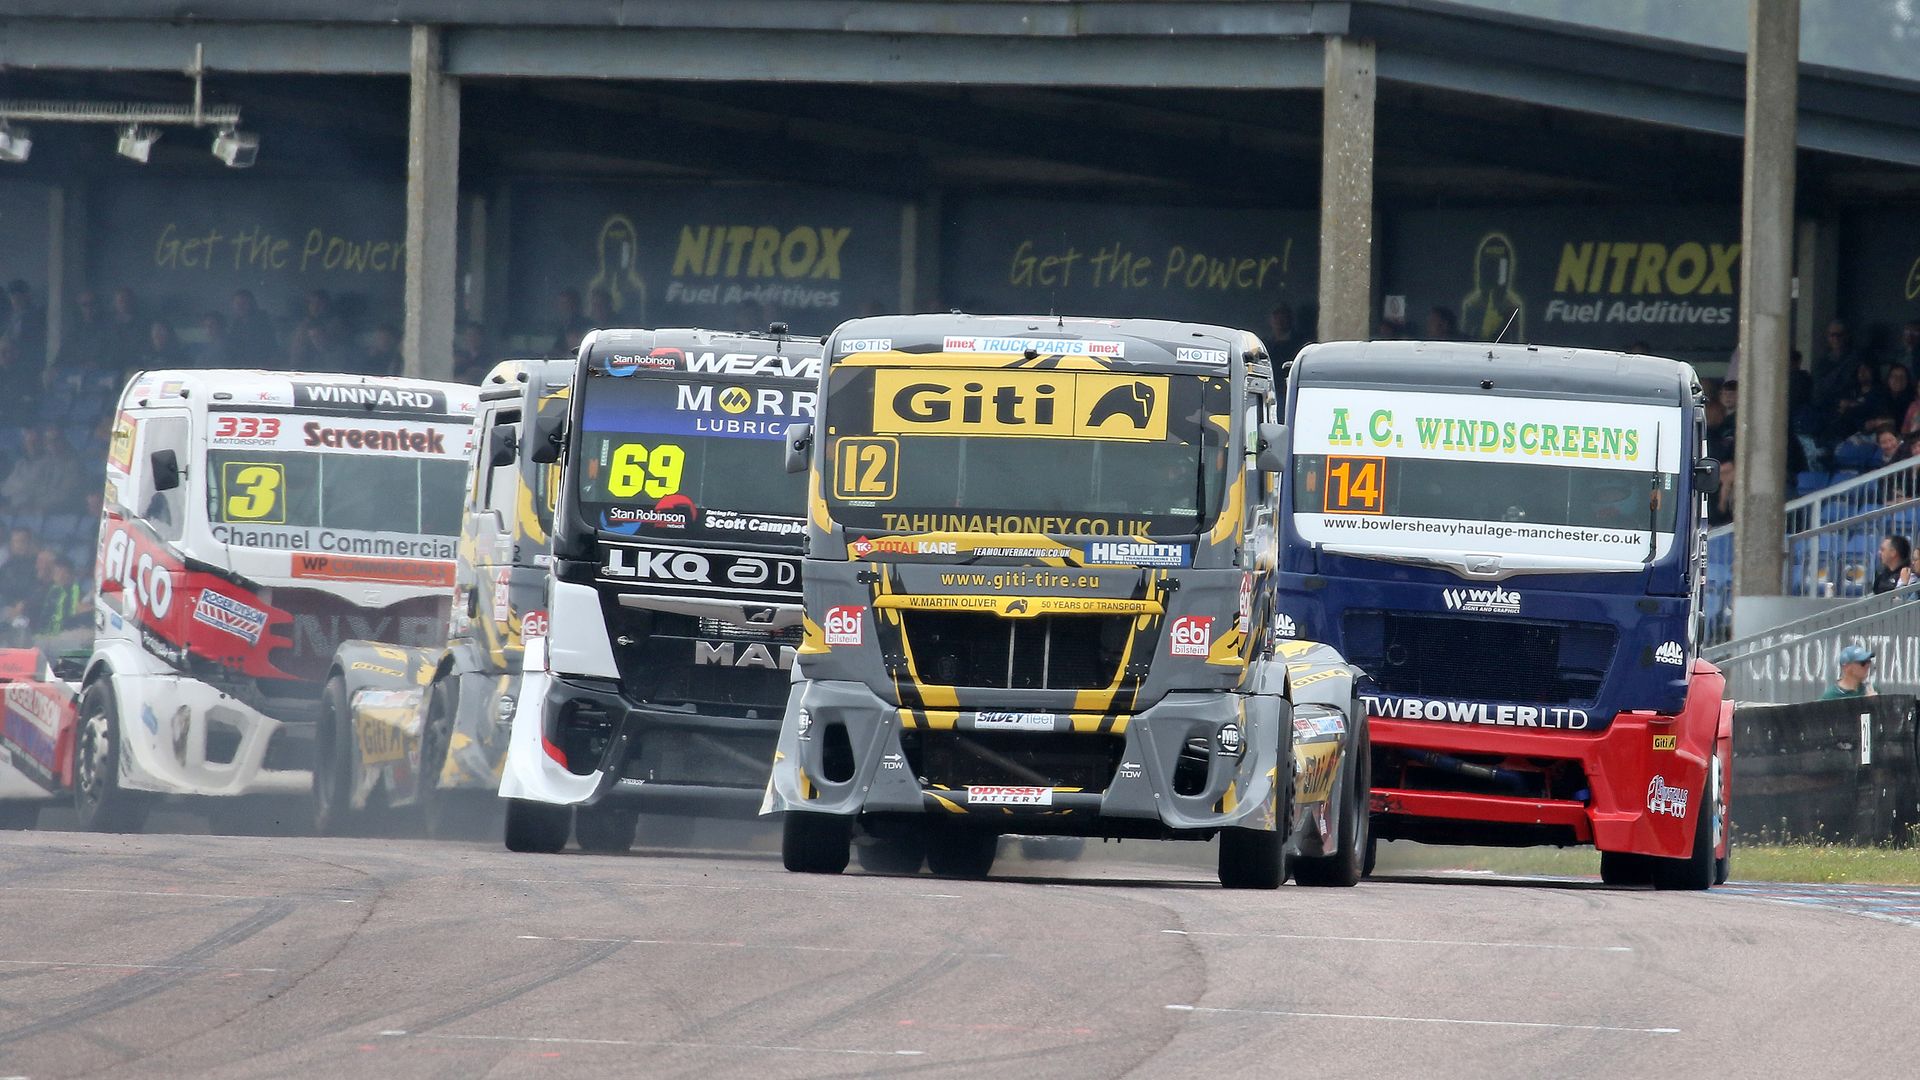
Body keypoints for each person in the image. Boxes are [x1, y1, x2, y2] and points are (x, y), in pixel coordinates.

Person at [226, 289, 279, 366]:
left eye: (244, 303)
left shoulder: (263, 324)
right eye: (237, 304)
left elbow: (271, 350)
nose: (240, 307)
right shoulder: (236, 325)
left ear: (252, 304)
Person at [3, 279, 47, 368]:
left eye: (17, 296)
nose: (14, 300)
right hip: (10, 361)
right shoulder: (10, 316)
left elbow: (34, 342)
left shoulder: (36, 315)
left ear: (27, 295)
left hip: (28, 363)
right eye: (12, 296)